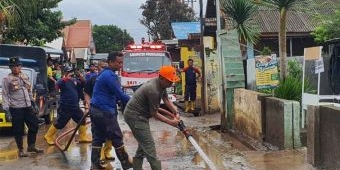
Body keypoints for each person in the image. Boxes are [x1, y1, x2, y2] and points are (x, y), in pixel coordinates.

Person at [123, 65, 181, 170]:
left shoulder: (162, 85)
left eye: (172, 81)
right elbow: (154, 113)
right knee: (149, 146)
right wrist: (171, 122)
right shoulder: (153, 89)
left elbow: (166, 99)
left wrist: (175, 111)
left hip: (141, 115)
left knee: (143, 144)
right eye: (169, 81)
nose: (171, 83)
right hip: (135, 116)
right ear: (161, 78)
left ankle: (137, 167)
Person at [89, 52, 132, 169]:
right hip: (104, 111)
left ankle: (95, 165)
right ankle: (126, 163)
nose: (121, 65)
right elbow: (120, 95)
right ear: (111, 62)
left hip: (95, 109)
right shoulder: (110, 76)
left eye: (122, 62)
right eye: (119, 62)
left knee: (98, 137)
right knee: (116, 136)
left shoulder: (104, 73)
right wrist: (136, 102)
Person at [2, 57, 44, 157]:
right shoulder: (6, 79)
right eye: (13, 66)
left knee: (34, 125)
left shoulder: (24, 76)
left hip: (28, 106)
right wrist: (7, 110)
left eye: (17, 65)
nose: (15, 68)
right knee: (18, 130)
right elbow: (5, 94)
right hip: (16, 108)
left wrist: (33, 103)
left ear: (20, 66)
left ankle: (31, 146)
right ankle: (20, 150)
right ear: (10, 68)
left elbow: (28, 91)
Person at [44, 67, 92, 145]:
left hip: (75, 107)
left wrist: (81, 78)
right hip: (65, 106)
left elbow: (82, 87)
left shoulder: (75, 81)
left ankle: (83, 137)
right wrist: (65, 79)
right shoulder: (62, 81)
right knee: (60, 124)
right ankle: (48, 136)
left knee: (82, 120)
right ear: (65, 74)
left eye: (72, 72)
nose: (71, 74)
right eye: (69, 72)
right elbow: (57, 85)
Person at [83, 59, 115, 164]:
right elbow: (86, 93)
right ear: (98, 68)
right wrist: (89, 104)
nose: (105, 69)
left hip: (110, 110)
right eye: (103, 67)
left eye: (107, 67)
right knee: (98, 133)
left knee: (111, 132)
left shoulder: (112, 78)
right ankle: (100, 153)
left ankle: (107, 152)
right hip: (97, 111)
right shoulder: (92, 79)